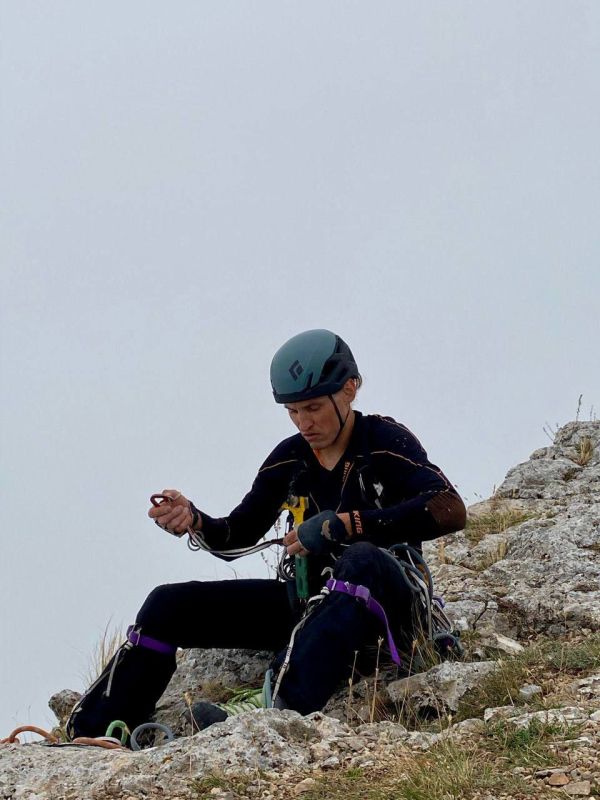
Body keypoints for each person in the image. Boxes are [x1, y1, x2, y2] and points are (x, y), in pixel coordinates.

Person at [67, 329, 466, 740]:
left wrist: (347, 525)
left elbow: (450, 508)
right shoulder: (289, 459)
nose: (304, 423)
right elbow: (238, 534)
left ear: (349, 389)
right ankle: (96, 732)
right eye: (293, 411)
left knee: (361, 557)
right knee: (166, 605)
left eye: (313, 408)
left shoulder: (383, 441)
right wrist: (195, 520)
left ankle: (274, 709)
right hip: (307, 606)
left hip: (385, 608)